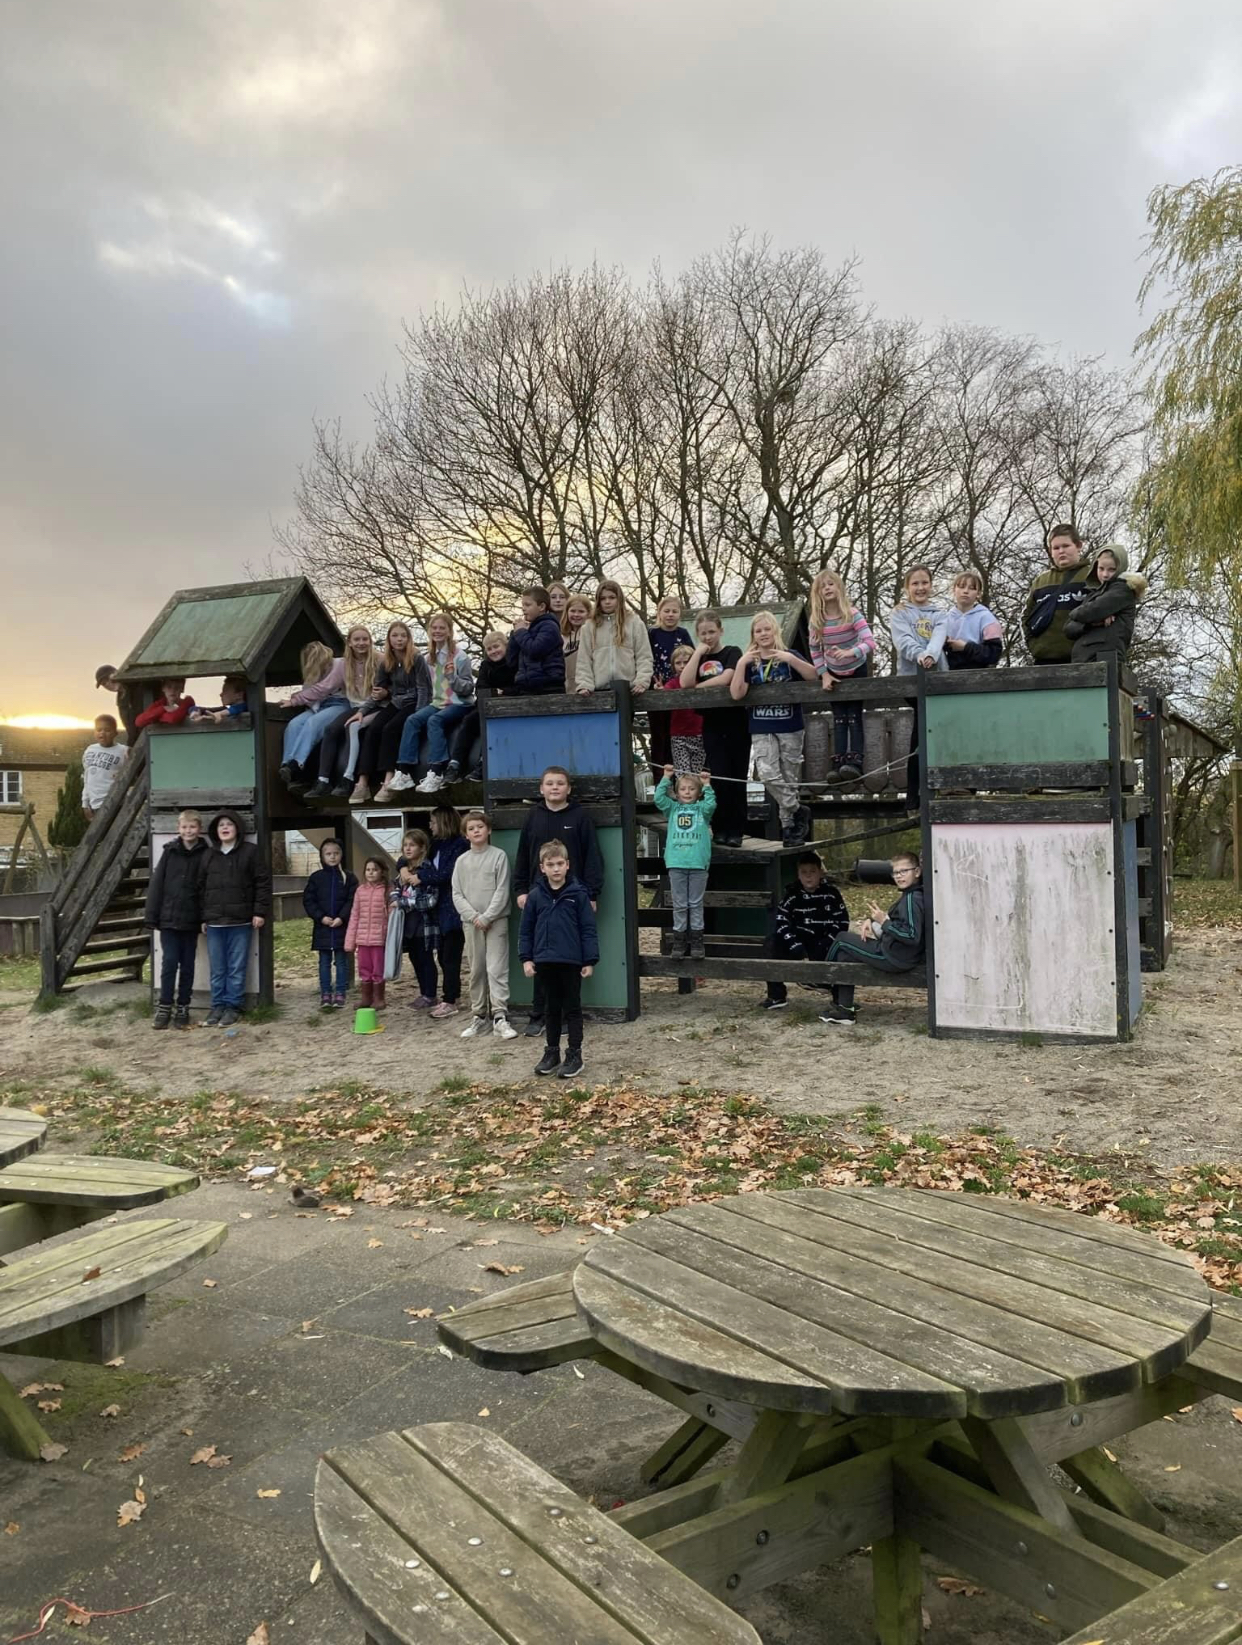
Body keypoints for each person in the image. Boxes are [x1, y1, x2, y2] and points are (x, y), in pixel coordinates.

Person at [513, 767, 604, 1038]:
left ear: (569, 789)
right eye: (550, 783)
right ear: (541, 789)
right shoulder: (533, 817)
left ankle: (566, 1016)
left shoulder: (580, 817)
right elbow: (523, 856)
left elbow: (592, 857)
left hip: (571, 897)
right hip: (539, 895)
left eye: (560, 783)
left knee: (567, 957)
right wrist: (521, 889)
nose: (555, 787)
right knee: (541, 956)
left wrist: (592, 893)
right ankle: (538, 1015)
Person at [730, 610, 817, 845]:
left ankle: (789, 829)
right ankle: (798, 809)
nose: (763, 634)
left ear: (775, 630)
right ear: (753, 635)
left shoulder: (789, 655)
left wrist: (791, 660)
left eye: (767, 629)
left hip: (790, 725)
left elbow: (813, 676)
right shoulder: (750, 661)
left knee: (789, 777)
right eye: (758, 630)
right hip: (761, 725)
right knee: (768, 773)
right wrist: (741, 663)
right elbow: (736, 693)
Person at [519, 839, 598, 1081]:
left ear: (567, 865)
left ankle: (574, 1055)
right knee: (551, 1009)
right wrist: (526, 958)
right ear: (542, 867)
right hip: (545, 961)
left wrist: (589, 960)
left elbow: (588, 929)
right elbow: (526, 930)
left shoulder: (579, 895)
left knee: (572, 1009)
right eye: (550, 864)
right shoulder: (535, 897)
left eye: (560, 864)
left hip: (571, 961)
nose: (556, 869)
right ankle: (551, 1052)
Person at [819, 850, 925, 1026]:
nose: (899, 876)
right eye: (896, 872)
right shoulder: (912, 894)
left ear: (917, 872)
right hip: (897, 953)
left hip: (894, 957)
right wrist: (873, 920)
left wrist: (884, 922)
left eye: (904, 871)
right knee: (845, 955)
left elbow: (911, 935)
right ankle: (844, 1010)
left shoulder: (911, 900)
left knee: (842, 938)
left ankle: (822, 979)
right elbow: (899, 923)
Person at [385, 612, 476, 798]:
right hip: (437, 702)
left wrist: (452, 678)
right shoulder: (428, 658)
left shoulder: (460, 657)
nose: (437, 631)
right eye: (434, 628)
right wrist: (421, 709)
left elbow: (468, 688)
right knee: (412, 720)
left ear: (449, 631)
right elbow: (426, 687)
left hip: (459, 703)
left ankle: (436, 770)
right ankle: (404, 771)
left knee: (435, 720)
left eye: (442, 628)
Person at [681, 611, 748, 847]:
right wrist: (697, 653)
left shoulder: (732, 652)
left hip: (736, 723)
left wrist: (699, 688)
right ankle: (720, 829)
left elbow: (727, 677)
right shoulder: (698, 657)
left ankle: (736, 830)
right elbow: (685, 682)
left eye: (711, 632)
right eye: (703, 633)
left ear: (720, 630)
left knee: (736, 777)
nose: (708, 637)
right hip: (711, 724)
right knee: (718, 777)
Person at [200, 809, 271, 1027]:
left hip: (241, 921)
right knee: (217, 969)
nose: (225, 828)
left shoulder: (250, 852)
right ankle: (217, 1006)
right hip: (214, 922)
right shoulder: (208, 855)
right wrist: (202, 917)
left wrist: (259, 912)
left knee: (236, 968)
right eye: (221, 824)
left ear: (237, 828)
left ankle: (233, 1007)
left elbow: (262, 882)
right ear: (215, 830)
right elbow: (200, 887)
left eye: (229, 824)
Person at [451, 811, 518, 1040]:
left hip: (496, 921)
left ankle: (500, 1016)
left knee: (496, 969)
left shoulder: (498, 856)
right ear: (466, 834)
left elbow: (502, 890)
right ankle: (479, 1015)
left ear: (488, 830)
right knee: (477, 968)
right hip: (472, 924)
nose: (476, 831)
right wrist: (474, 917)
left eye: (480, 827)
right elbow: (457, 894)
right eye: (471, 828)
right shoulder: (461, 861)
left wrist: (488, 917)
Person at [350, 622, 431, 805]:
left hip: (414, 702)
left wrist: (419, 714)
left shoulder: (416, 658)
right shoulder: (386, 661)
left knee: (391, 729)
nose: (399, 639)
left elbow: (424, 688)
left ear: (408, 639)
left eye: (403, 636)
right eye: (395, 636)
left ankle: (389, 780)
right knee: (374, 728)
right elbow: (377, 691)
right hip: (396, 702)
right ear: (389, 639)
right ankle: (362, 782)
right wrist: (363, 711)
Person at [145, 808, 209, 1029]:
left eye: (192, 827)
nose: (188, 831)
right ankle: (164, 1006)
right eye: (184, 827)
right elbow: (157, 884)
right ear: (178, 828)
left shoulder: (205, 854)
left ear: (199, 829)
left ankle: (183, 1006)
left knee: (188, 965)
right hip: (169, 919)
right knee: (169, 962)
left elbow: (206, 889)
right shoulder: (170, 852)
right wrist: (152, 915)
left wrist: (205, 917)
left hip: (191, 920)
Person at [890, 567, 949, 811]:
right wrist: (919, 655)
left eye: (925, 582)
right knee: (920, 736)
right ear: (907, 587)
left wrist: (931, 655)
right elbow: (902, 640)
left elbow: (939, 637)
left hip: (936, 680)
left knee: (936, 735)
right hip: (912, 679)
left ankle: (940, 788)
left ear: (931, 585)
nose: (920, 588)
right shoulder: (900, 613)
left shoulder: (940, 614)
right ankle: (914, 795)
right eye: (915, 583)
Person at [808, 568, 875, 781]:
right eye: (822, 586)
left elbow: (870, 642)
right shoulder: (817, 621)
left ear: (839, 588)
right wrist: (824, 674)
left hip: (856, 668)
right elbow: (815, 650)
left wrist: (850, 652)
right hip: (834, 672)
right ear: (817, 593)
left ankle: (855, 761)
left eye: (831, 584)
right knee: (839, 717)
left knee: (854, 715)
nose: (827, 588)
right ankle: (838, 761)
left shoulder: (852, 614)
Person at [761, 850, 849, 1012]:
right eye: (804, 872)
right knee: (771, 942)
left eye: (812, 872)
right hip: (799, 941)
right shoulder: (792, 894)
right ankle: (776, 995)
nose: (808, 876)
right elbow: (781, 921)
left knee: (844, 948)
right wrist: (794, 944)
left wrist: (827, 941)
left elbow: (842, 922)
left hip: (825, 940)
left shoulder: (832, 894)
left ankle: (840, 999)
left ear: (820, 873)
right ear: (798, 874)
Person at [305, 626, 377, 800]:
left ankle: (348, 778)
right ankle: (323, 780)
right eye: (357, 639)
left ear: (370, 641)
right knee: (331, 729)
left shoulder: (379, 660)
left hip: (377, 706)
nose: (361, 643)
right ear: (349, 643)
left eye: (365, 639)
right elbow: (324, 687)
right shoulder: (343, 664)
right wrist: (296, 699)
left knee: (352, 727)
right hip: (355, 706)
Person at [653, 765, 715, 959]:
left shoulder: (702, 810)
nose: (687, 792)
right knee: (679, 904)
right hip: (676, 863)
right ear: (677, 792)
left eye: (692, 789)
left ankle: (697, 941)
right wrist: (666, 778)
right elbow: (659, 799)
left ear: (698, 793)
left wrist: (707, 785)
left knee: (695, 903)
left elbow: (711, 804)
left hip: (697, 863)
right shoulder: (672, 809)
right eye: (683, 789)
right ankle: (679, 941)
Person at [415, 805, 470, 1018]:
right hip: (437, 909)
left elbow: (448, 874)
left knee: (450, 957)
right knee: (442, 957)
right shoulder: (436, 845)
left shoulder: (460, 845)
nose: (430, 826)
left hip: (454, 908)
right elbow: (416, 860)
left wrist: (421, 877)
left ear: (444, 822)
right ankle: (451, 996)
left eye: (433, 821)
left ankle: (450, 1000)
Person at [444, 631, 516, 784]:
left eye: (496, 647)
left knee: (493, 725)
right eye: (489, 649)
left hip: (508, 707)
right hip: (487, 705)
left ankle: (483, 763)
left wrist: (502, 692)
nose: (493, 651)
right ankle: (455, 763)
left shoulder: (514, 663)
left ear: (505, 646)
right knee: (469, 721)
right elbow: (481, 688)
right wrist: (494, 693)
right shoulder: (485, 666)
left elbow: (518, 686)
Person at [1023, 523, 1098, 664]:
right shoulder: (1040, 581)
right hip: (1044, 659)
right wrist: (1033, 645)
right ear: (1051, 551)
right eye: (1056, 548)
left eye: (1066, 546)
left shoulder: (1093, 576)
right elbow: (1026, 616)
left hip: (1084, 658)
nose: (1061, 551)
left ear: (1078, 546)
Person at [279, 645, 348, 787]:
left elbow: (323, 688)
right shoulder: (313, 673)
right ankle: (287, 764)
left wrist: (295, 700)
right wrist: (298, 697)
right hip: (319, 706)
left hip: (340, 704)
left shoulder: (339, 664)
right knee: (294, 724)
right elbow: (309, 693)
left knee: (313, 723)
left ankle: (297, 764)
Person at [1064, 544, 1147, 664]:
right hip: (1083, 659)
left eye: (1111, 569)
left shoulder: (1123, 590)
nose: (1105, 574)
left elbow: (1091, 611)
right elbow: (1068, 629)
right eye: (1101, 568)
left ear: (1120, 568)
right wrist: (1091, 623)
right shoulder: (1093, 594)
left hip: (1106, 658)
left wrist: (1075, 613)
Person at [302, 838, 357, 1009]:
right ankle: (325, 992)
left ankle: (340, 992)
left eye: (336, 853)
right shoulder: (316, 878)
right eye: (328, 854)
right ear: (322, 856)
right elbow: (309, 901)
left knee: (341, 961)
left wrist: (342, 917)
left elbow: (352, 901)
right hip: (322, 928)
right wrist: (321, 917)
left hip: (342, 927)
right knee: (324, 962)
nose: (332, 857)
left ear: (341, 855)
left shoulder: (349, 877)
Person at [574, 580, 654, 694]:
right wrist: (584, 684)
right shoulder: (589, 626)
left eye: (612, 597)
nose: (607, 602)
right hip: (598, 691)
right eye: (603, 598)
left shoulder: (634, 622)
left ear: (619, 599)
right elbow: (584, 660)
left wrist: (642, 681)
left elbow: (644, 656)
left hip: (629, 689)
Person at [646, 594, 693, 775]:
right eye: (667, 611)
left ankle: (683, 778)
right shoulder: (652, 633)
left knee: (678, 734)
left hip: (679, 688)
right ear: (659, 613)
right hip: (657, 688)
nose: (670, 614)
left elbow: (692, 657)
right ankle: (660, 779)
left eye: (674, 611)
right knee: (659, 735)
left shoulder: (682, 634)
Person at [391, 829, 436, 1006]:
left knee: (425, 958)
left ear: (422, 847)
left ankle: (430, 994)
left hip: (423, 923)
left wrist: (403, 903)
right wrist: (395, 898)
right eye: (405, 845)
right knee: (414, 957)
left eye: (412, 845)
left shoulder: (427, 869)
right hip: (407, 923)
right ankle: (423, 992)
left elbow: (430, 900)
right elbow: (395, 888)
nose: (408, 849)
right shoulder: (403, 871)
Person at [344, 858, 391, 1012]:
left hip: (379, 939)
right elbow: (354, 915)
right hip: (362, 939)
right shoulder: (360, 891)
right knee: (364, 968)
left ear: (382, 872)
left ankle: (379, 998)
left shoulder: (387, 891)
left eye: (375, 869)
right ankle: (366, 998)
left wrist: (389, 938)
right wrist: (350, 941)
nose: (371, 873)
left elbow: (392, 916)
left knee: (378, 969)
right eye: (368, 870)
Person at [506, 587, 565, 694]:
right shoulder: (526, 630)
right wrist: (514, 635)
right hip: (526, 687)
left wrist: (521, 632)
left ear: (541, 606)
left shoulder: (550, 626)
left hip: (548, 685)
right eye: (523, 605)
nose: (523, 609)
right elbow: (511, 661)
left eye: (528, 605)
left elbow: (535, 650)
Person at [945, 572, 1003, 670]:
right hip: (948, 673)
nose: (965, 591)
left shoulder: (987, 619)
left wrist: (966, 647)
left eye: (972, 588)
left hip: (978, 673)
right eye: (961, 587)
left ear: (978, 594)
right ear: (954, 590)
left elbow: (994, 654)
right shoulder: (945, 619)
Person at [663, 644, 704, 774]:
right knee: (682, 775)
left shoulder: (701, 682)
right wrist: (660, 690)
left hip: (700, 734)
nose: (682, 666)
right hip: (679, 735)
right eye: (678, 663)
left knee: (697, 776)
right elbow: (664, 695)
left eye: (686, 662)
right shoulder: (672, 683)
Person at [81, 714, 126, 823]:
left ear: (115, 733)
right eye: (99, 730)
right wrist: (85, 803)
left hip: (114, 803)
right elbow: (87, 778)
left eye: (107, 730)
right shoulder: (90, 750)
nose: (102, 733)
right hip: (94, 805)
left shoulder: (124, 751)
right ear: (94, 732)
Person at [95, 665, 139, 744]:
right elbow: (129, 728)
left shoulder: (137, 686)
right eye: (104, 683)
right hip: (136, 740)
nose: (108, 684)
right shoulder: (120, 700)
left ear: (116, 674)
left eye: (109, 678)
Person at [561, 594, 593, 693]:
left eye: (581, 611)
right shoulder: (561, 637)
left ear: (588, 613)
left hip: (587, 687)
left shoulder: (592, 634)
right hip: (567, 687)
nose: (576, 615)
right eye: (573, 611)